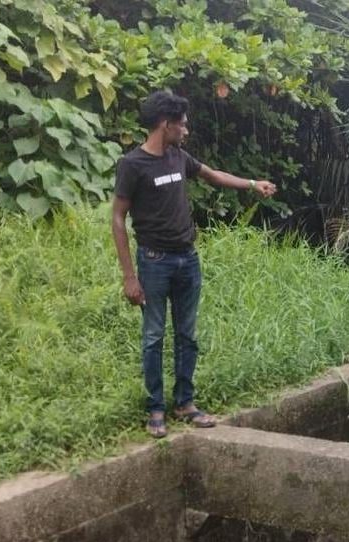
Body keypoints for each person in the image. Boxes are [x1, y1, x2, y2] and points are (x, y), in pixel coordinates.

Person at [111, 90, 276, 438]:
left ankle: (185, 403)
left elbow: (213, 175)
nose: (186, 130)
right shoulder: (132, 165)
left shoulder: (178, 157)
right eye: (182, 125)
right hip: (154, 262)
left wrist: (252, 184)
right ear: (165, 124)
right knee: (154, 336)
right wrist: (129, 276)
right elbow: (117, 218)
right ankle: (156, 408)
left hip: (188, 259)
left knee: (187, 335)